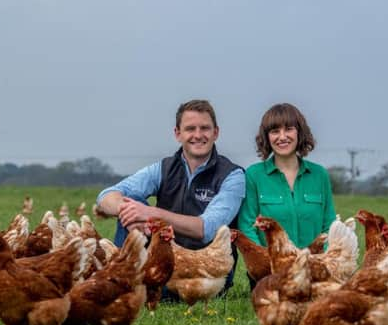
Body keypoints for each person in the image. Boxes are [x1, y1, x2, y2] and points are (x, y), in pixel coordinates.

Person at [97, 99, 245, 297]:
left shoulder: (232, 176)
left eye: (205, 128)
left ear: (215, 133)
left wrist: (152, 214)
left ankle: (125, 284)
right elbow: (106, 196)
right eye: (190, 128)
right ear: (178, 133)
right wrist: (131, 214)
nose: (198, 135)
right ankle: (122, 279)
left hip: (206, 269)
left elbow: (206, 229)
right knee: (131, 199)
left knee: (146, 287)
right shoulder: (164, 168)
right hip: (164, 262)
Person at [237, 102, 336, 287]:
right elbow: (247, 224)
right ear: (267, 137)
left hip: (314, 273)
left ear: (299, 132)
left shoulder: (319, 175)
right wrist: (266, 264)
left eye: (288, 129)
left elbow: (329, 224)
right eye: (275, 131)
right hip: (270, 277)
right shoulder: (254, 175)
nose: (282, 137)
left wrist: (326, 263)